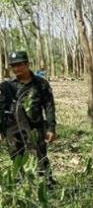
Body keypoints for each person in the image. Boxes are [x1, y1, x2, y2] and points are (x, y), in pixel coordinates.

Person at [0, 51, 57, 185]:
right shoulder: (7, 87)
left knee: (40, 156)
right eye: (13, 66)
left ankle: (47, 184)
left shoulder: (41, 84)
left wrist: (51, 128)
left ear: (27, 64)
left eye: (19, 64)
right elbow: (1, 109)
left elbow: (49, 106)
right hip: (12, 129)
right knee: (17, 158)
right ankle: (20, 185)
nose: (16, 68)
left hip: (35, 127)